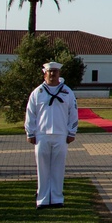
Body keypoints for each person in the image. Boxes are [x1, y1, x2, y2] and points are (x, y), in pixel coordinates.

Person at [24, 62, 79, 208]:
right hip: (42, 134)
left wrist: (72, 131)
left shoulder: (67, 92)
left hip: (61, 134)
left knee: (58, 168)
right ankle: (42, 199)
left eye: (55, 71)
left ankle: (56, 198)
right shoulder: (38, 92)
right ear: (45, 74)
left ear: (59, 73)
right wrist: (30, 132)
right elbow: (30, 113)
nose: (53, 74)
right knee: (42, 168)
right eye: (50, 72)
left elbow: (73, 113)